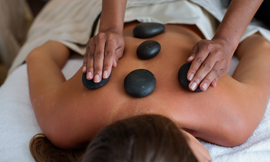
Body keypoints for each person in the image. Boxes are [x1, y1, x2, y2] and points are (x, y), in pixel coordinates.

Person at [25, 0, 270, 161]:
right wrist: (226, 42)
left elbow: (260, 47)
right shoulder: (63, 122)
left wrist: (229, 42)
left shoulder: (232, 117)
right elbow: (41, 55)